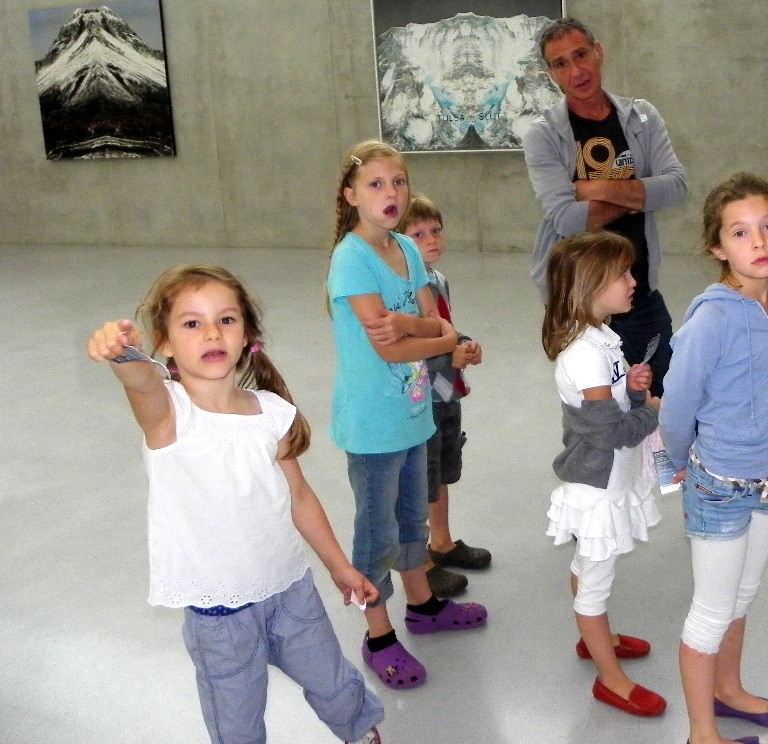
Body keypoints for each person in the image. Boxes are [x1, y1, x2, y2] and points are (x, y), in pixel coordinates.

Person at [86, 265, 386, 744]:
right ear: (164, 343)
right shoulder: (170, 416)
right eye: (192, 323)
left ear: (246, 335)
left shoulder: (271, 412)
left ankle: (360, 732)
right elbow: (140, 382)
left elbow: (300, 497)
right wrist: (121, 352)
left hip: (291, 591)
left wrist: (339, 567)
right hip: (220, 620)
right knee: (237, 722)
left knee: (335, 683)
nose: (212, 333)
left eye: (226, 320)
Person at [328, 140, 487, 692]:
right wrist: (431, 335)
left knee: (413, 518)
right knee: (378, 533)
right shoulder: (351, 260)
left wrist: (414, 327)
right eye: (375, 184)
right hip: (374, 426)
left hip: (416, 412)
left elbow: (436, 323)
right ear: (351, 196)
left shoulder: (406, 248)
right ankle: (378, 634)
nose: (390, 193)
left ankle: (422, 605)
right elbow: (392, 348)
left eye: (398, 182)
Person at [660, 173, 768, 744]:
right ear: (717, 248)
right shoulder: (711, 320)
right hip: (721, 488)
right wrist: (676, 459)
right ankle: (702, 733)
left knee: (742, 595)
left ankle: (729, 690)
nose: (758, 242)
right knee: (712, 610)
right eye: (740, 233)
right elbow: (677, 403)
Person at [524, 17, 687, 394]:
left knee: (662, 393)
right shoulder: (543, 135)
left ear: (599, 52)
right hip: (581, 303)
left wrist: (595, 188)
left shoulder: (641, 117)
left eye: (581, 55)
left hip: (638, 289)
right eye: (561, 63)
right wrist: (639, 197)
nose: (575, 70)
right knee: (598, 407)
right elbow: (567, 219)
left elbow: (676, 187)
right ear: (551, 74)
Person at [541, 231, 667, 718]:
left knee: (590, 565)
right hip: (598, 487)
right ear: (589, 285)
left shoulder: (604, 338)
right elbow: (610, 432)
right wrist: (651, 410)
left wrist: (632, 389)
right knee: (596, 580)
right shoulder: (585, 354)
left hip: (613, 477)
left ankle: (595, 638)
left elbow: (613, 407)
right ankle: (610, 679)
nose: (633, 282)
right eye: (622, 275)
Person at [398, 195, 491, 598]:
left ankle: (442, 541)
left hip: (446, 391)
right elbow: (407, 346)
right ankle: (420, 560)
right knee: (421, 479)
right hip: (420, 396)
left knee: (442, 471)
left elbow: (443, 328)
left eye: (435, 231)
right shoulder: (402, 289)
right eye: (418, 235)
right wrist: (447, 354)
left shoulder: (437, 279)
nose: (431, 239)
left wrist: (463, 344)